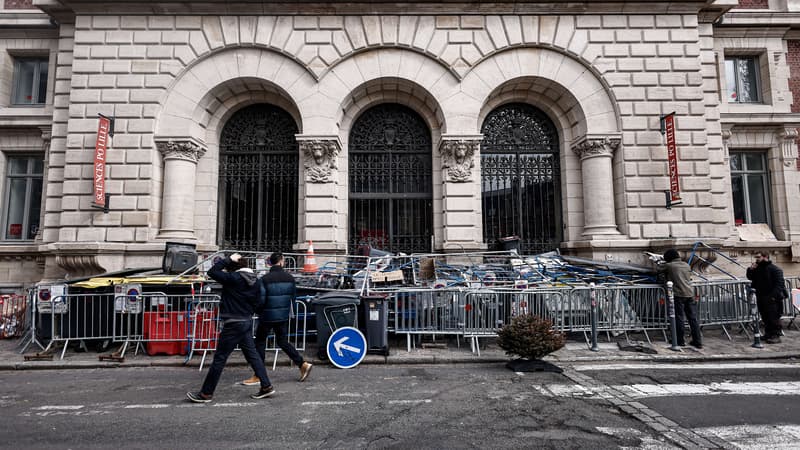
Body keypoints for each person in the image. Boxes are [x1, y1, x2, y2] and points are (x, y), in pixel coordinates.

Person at [187, 253, 275, 403]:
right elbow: (259, 302)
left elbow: (212, 272)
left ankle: (206, 393)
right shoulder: (257, 281)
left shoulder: (234, 278)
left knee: (220, 359)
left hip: (233, 323)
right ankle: (266, 386)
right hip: (246, 321)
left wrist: (227, 260)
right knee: (253, 355)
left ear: (234, 268)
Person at [242, 251, 313, 385]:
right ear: (281, 261)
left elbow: (261, 299)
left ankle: (258, 374)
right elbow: (293, 298)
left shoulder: (265, 279)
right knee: (282, 341)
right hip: (282, 316)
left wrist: (257, 311)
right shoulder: (290, 278)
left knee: (260, 342)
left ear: (270, 263)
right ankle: (302, 364)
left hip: (267, 316)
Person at [658, 249, 703, 349]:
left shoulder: (669, 265)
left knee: (679, 318)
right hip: (689, 294)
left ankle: (679, 340)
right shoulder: (686, 265)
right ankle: (698, 341)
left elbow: (657, 269)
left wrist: (660, 262)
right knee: (693, 319)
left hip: (678, 294)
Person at [746, 251, 787, 344]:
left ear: (765, 257)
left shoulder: (775, 269)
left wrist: (772, 296)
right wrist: (750, 269)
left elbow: (779, 284)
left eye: (758, 257)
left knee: (773, 317)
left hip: (772, 298)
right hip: (761, 296)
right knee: (765, 317)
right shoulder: (758, 268)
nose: (756, 259)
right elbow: (750, 277)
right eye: (756, 257)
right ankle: (768, 334)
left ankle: (776, 335)